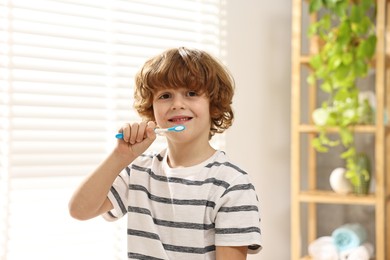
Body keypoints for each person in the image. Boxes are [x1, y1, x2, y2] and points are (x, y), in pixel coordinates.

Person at [68, 47, 262, 260]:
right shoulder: (139, 172)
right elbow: (80, 210)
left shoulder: (232, 184)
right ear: (151, 110)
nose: (177, 104)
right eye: (165, 95)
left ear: (213, 105)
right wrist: (120, 156)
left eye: (191, 93)